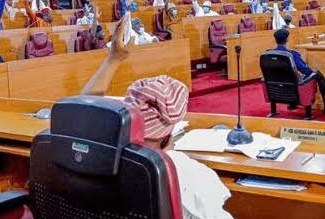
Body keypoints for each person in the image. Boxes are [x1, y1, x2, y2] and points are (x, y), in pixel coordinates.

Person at [80, 14, 234, 219]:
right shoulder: (185, 172)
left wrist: (113, 59)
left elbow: (83, 110)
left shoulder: (98, 151)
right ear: (168, 135)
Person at [273, 29, 325, 114]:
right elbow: (306, 71)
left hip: (276, 85)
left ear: (275, 40)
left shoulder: (270, 54)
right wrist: (311, 70)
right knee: (318, 75)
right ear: (287, 40)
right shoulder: (291, 54)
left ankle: (292, 103)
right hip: (294, 83)